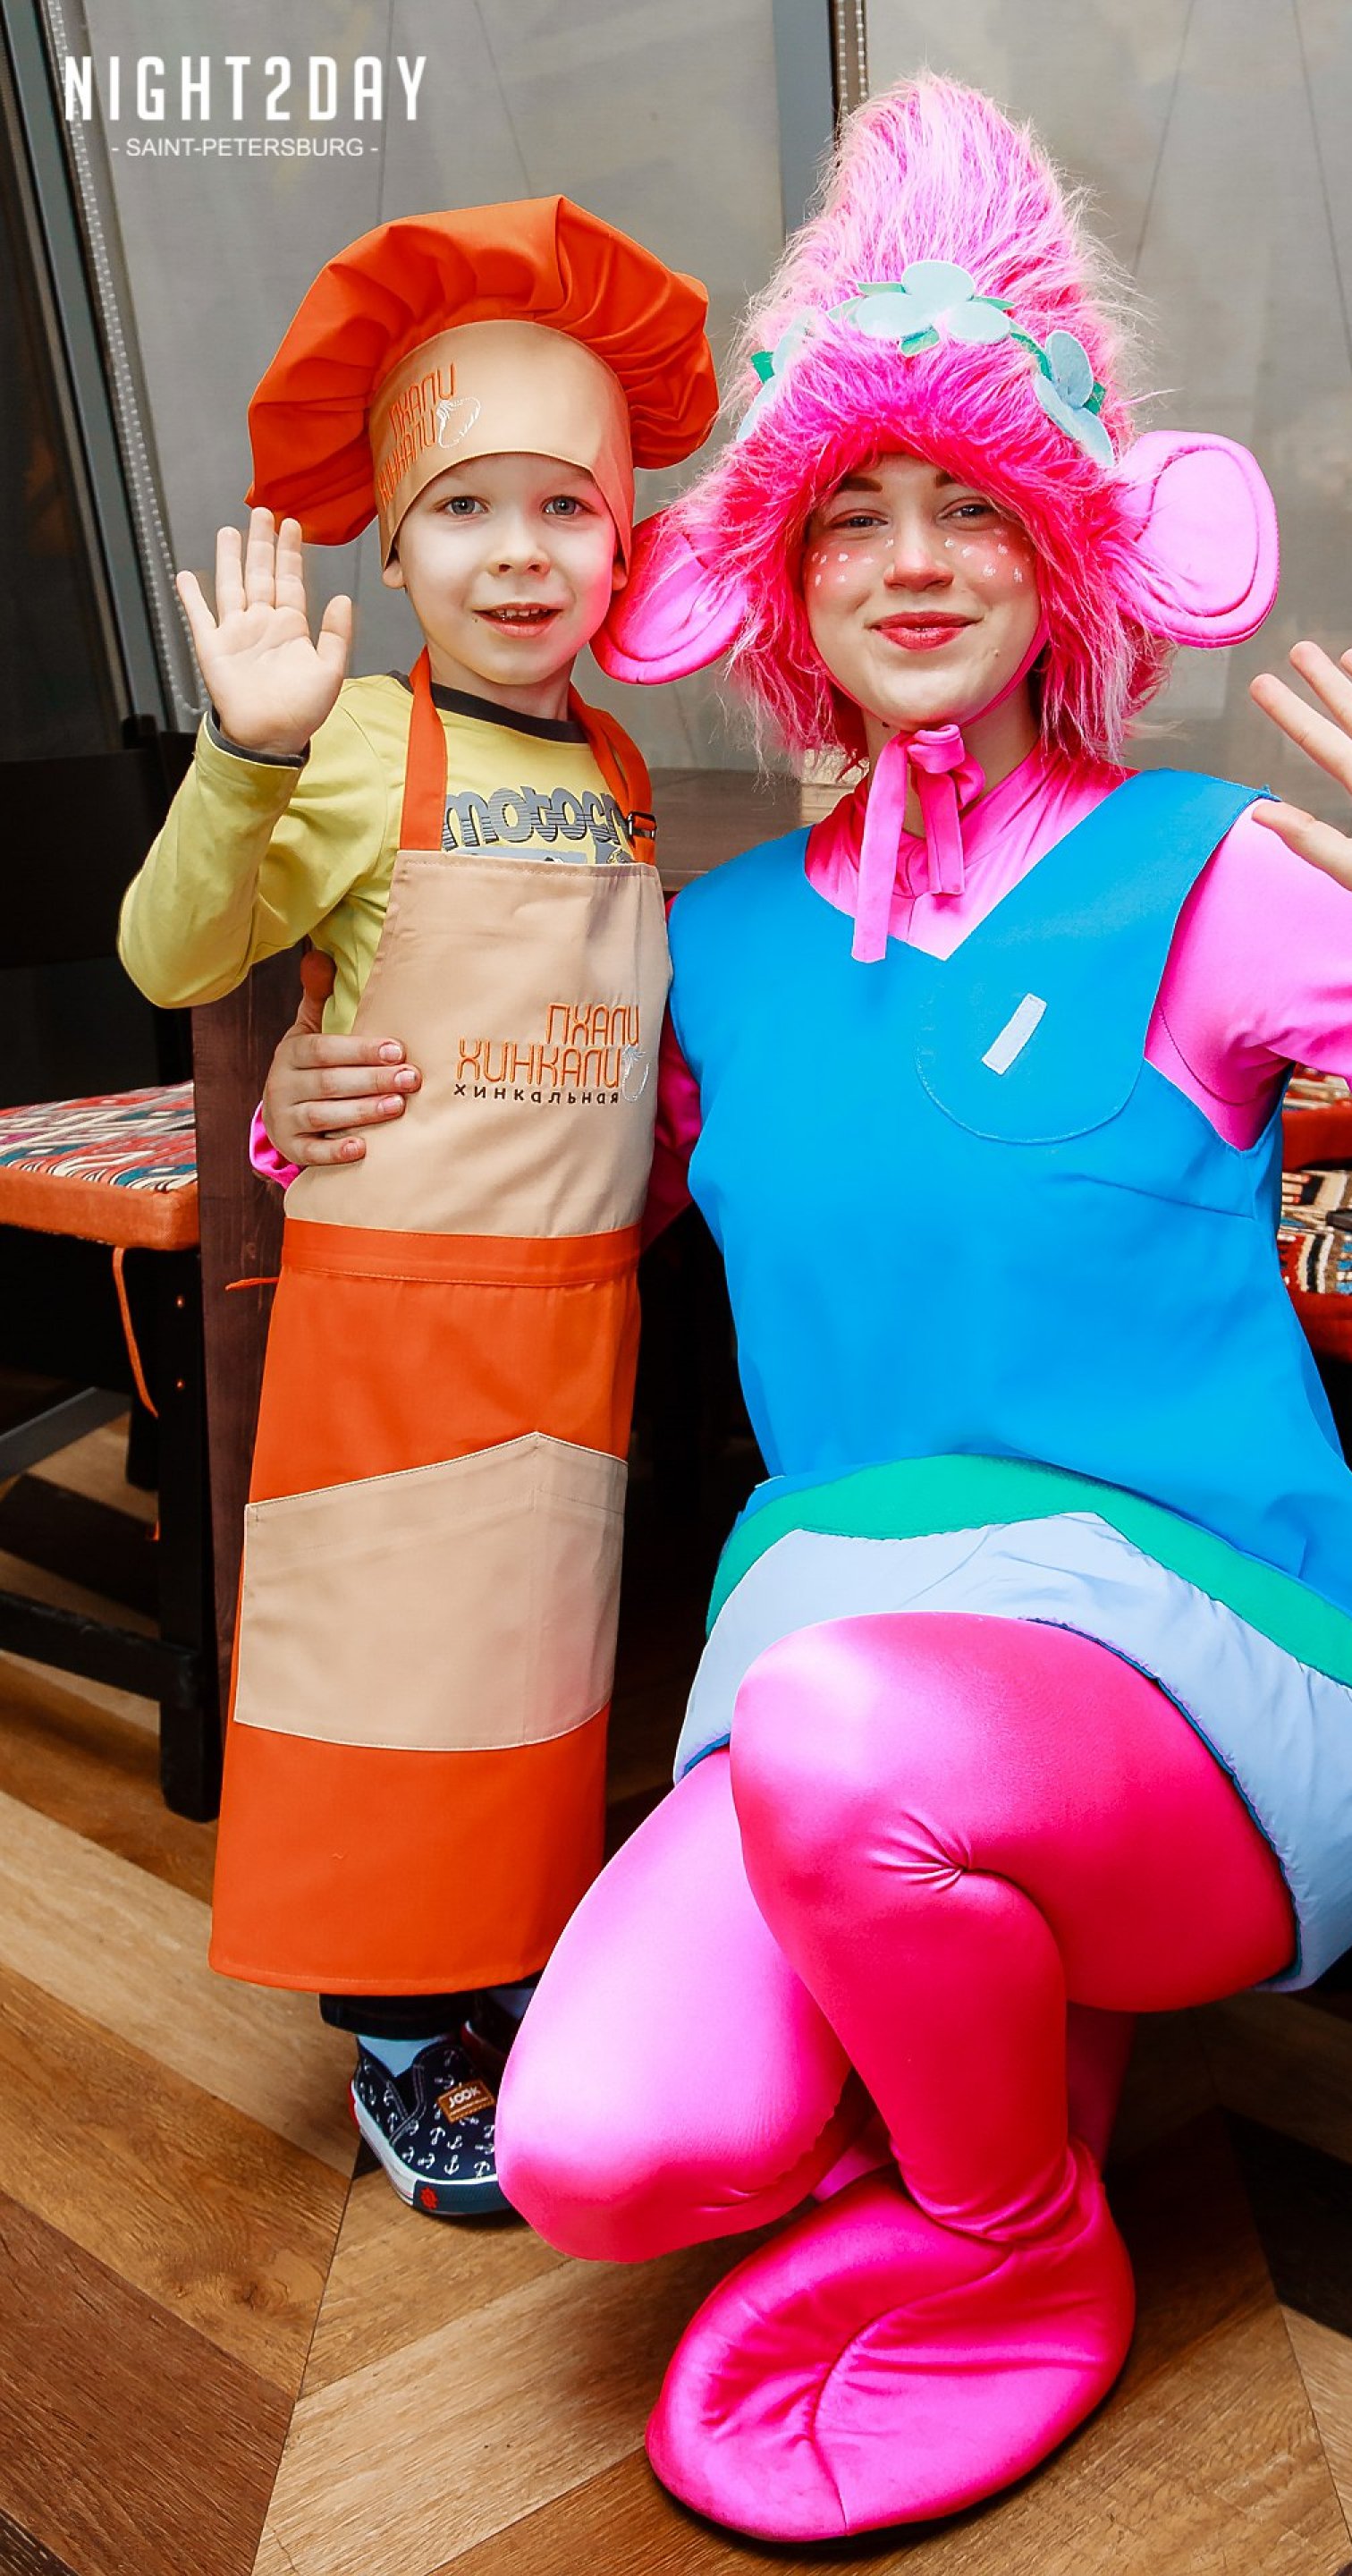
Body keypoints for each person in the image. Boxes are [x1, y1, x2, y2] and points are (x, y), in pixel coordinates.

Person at [261, 80, 1352, 2531]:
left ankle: (1015, 2235)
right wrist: (343, 1099)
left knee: (853, 1750)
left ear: (1070, 558)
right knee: (603, 2150)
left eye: (976, 509)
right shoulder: (717, 944)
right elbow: (545, 1167)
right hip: (851, 1667)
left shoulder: (1210, 868)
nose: (915, 563)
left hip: (1209, 1664)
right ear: (778, 581)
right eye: (855, 513)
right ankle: (984, 2003)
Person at [118, 197, 717, 2216]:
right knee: (390, 1682)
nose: (519, 551)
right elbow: (172, 951)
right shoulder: (361, 743)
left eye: (566, 507)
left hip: (578, 1313)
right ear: (392, 546)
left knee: (526, 1683)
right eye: (466, 508)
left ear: (623, 544)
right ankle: (394, 2038)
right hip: (398, 1322)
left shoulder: (618, 764)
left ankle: (496, 1967)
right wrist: (244, 753)